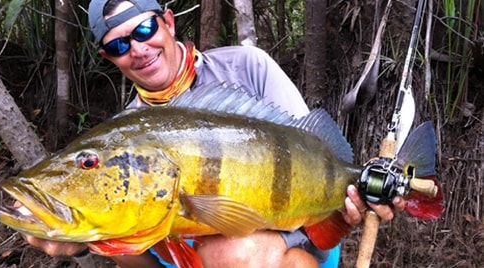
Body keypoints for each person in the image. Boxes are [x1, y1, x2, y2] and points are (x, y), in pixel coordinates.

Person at [24, 0, 407, 267]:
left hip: (291, 230)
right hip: (189, 256)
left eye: (143, 29)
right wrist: (81, 242)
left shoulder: (246, 67)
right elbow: (136, 252)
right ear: (109, 58)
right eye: (120, 45)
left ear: (168, 22)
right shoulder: (127, 131)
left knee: (231, 255)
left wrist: (357, 192)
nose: (138, 49)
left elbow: (310, 145)